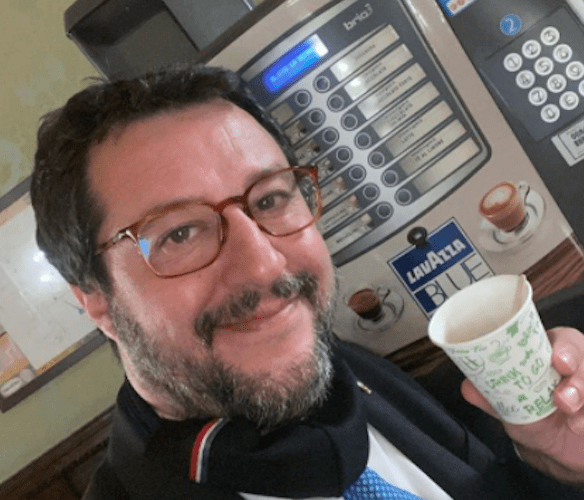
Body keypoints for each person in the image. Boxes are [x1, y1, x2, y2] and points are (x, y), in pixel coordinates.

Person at [30, 64, 584, 499]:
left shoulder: (343, 367)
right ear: (97, 301)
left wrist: (557, 465)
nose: (266, 266)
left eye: (271, 199)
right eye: (179, 233)